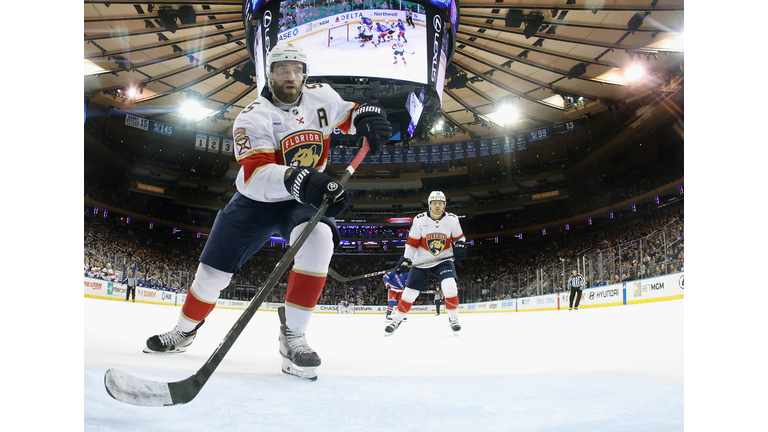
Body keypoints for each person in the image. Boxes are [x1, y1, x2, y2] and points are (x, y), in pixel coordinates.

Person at [142, 43, 391, 382]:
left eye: (297, 70)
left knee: (319, 239)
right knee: (212, 275)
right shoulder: (252, 116)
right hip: (257, 199)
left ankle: (294, 336)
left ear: (305, 74)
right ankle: (184, 331)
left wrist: (367, 117)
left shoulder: (322, 96)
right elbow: (256, 174)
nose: (290, 77)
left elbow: (349, 114)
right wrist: (299, 178)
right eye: (282, 70)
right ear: (269, 75)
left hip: (302, 196)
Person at [385, 191, 467, 336]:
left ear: (444, 205)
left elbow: (459, 237)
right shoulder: (420, 220)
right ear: (429, 204)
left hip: (443, 260)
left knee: (450, 286)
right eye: (434, 203)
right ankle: (396, 320)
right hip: (421, 262)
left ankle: (454, 319)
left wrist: (460, 245)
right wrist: (406, 259)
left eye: (440, 203)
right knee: (409, 293)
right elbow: (412, 243)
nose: (437, 206)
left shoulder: (452, 219)